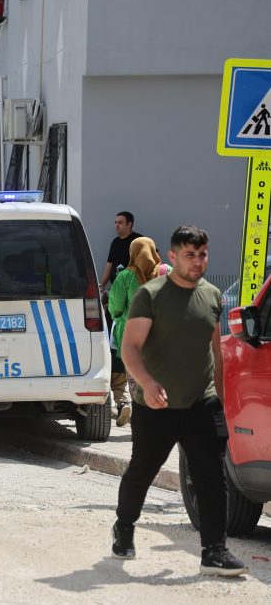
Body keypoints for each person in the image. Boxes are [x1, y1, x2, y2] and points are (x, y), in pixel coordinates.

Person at [112, 225, 248, 577]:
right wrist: (146, 383)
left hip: (202, 404)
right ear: (172, 257)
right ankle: (124, 526)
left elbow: (216, 352)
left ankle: (214, 551)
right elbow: (130, 348)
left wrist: (220, 399)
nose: (198, 261)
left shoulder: (214, 296)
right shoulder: (151, 295)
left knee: (212, 478)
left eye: (203, 254)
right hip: (156, 405)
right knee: (142, 470)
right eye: (190, 255)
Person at [107, 237, 170, 427]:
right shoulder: (167, 273)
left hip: (133, 338)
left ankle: (143, 417)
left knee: (136, 379)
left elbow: (115, 307)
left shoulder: (125, 276)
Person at [100, 211, 143, 424]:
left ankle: (125, 402)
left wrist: (110, 306)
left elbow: (115, 307)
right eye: (115, 222)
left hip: (127, 327)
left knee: (121, 363)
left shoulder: (125, 277)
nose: (116, 226)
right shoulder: (163, 272)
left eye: (120, 223)